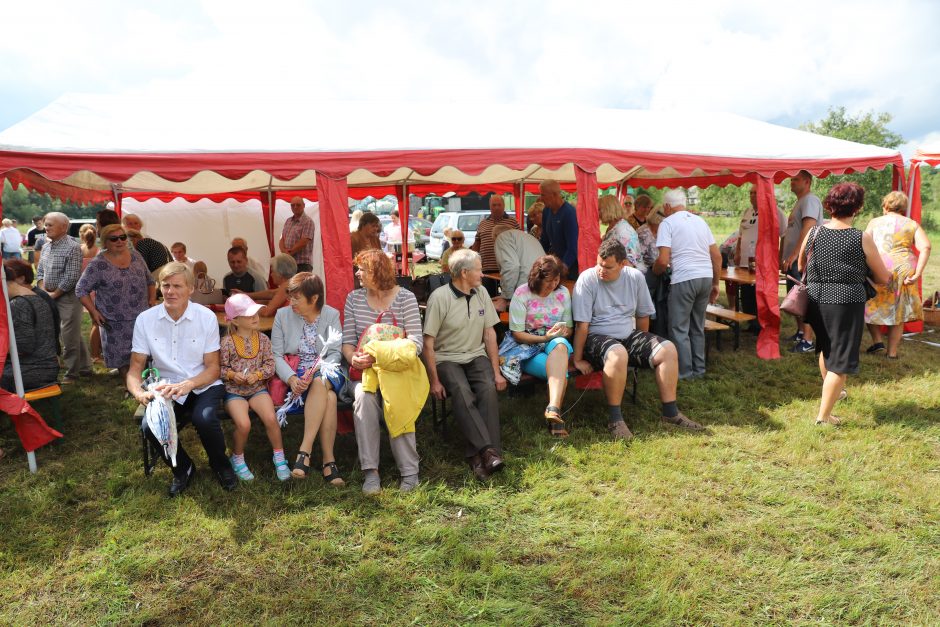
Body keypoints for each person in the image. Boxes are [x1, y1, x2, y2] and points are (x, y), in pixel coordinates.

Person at [573, 239, 703, 439]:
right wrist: (578, 359)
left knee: (668, 349)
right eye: (599, 264)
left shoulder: (635, 278)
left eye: (608, 267)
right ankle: (615, 419)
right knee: (617, 354)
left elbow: (643, 315)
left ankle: (670, 413)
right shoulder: (587, 279)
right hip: (596, 337)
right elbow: (582, 325)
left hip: (627, 335)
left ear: (623, 264)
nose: (601, 270)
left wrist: (642, 349)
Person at [126, 262, 236, 497]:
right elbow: (135, 369)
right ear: (158, 287)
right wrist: (139, 393)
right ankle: (182, 468)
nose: (170, 291)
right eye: (165, 285)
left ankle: (221, 466)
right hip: (166, 387)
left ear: (190, 289)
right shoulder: (145, 320)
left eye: (177, 286)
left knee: (205, 418)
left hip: (202, 383)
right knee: (149, 427)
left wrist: (189, 384)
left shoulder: (205, 317)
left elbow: (213, 368)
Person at [798, 183, 890, 425]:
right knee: (840, 360)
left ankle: (835, 392)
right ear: (857, 208)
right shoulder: (861, 237)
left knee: (826, 348)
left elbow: (800, 266)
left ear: (830, 204)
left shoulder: (814, 232)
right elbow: (882, 277)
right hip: (846, 302)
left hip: (815, 299)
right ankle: (824, 417)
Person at [343, 249, 425, 494]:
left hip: (397, 370)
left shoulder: (406, 298)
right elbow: (347, 342)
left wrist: (378, 354)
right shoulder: (354, 299)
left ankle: (410, 473)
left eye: (362, 269)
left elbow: (416, 343)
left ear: (377, 272)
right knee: (364, 398)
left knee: (396, 398)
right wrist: (354, 357)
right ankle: (371, 472)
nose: (357, 273)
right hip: (363, 373)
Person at [422, 249, 507, 481]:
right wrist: (434, 380)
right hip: (446, 357)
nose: (483, 274)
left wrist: (497, 373)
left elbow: (490, 334)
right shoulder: (439, 298)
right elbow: (428, 343)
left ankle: (479, 456)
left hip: (475, 355)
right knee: (461, 390)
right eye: (479, 270)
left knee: (488, 387)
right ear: (464, 272)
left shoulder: (480, 293)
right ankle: (489, 451)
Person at [271, 272, 345, 485]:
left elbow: (334, 353)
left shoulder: (331, 315)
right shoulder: (282, 315)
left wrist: (314, 371)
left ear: (314, 299)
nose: (291, 302)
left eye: (296, 298)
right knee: (329, 398)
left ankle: (305, 450)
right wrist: (292, 378)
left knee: (320, 382)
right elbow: (276, 355)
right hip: (295, 374)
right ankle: (329, 462)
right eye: (290, 297)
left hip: (326, 370)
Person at [500, 255, 573, 437]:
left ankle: (553, 408)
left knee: (561, 345)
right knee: (559, 370)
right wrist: (544, 338)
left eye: (556, 280)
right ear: (537, 278)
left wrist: (562, 331)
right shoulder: (522, 293)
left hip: (554, 342)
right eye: (549, 281)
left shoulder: (563, 293)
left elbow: (569, 328)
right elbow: (517, 334)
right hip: (525, 345)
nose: (553, 285)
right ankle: (555, 418)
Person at [220, 293, 290, 482]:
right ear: (235, 320)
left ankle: (280, 457)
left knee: (270, 418)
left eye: (256, 314)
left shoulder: (264, 340)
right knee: (244, 424)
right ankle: (238, 458)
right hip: (234, 392)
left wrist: (257, 375)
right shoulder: (227, 343)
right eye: (249, 315)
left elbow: (270, 365)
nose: (255, 318)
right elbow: (221, 368)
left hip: (257, 389)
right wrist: (234, 375)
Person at [653, 189, 720, 379]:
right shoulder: (700, 221)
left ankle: (684, 373)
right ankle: (699, 370)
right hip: (705, 276)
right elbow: (716, 256)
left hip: (684, 278)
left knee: (678, 328)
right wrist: (715, 283)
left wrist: (654, 271)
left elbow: (663, 261)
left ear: (667, 206)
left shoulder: (667, 223)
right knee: (697, 326)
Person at [864, 191, 932, 359]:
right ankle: (892, 352)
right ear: (903, 208)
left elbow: (864, 245)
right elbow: (926, 247)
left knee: (870, 304)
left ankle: (877, 341)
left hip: (879, 267)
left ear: (886, 206)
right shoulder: (911, 224)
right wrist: (918, 272)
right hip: (903, 269)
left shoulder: (875, 222)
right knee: (898, 310)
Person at [36, 212, 92, 382]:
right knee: (72, 333)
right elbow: (39, 271)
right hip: (50, 295)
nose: (46, 228)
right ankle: (85, 367)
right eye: (46, 224)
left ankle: (72, 373)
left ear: (63, 227)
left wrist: (55, 294)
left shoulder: (73, 247)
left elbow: (72, 276)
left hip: (67, 297)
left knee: (68, 336)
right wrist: (44, 290)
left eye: (50, 225)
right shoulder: (46, 246)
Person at [1, 261, 59, 393]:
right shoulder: (34, 297)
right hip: (45, 367)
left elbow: (24, 346)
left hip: (31, 371)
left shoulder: (18, 304)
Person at [781, 171, 823, 353]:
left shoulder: (810, 200)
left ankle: (807, 340)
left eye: (795, 179)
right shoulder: (801, 201)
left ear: (807, 182)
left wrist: (796, 254)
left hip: (803, 259)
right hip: (794, 259)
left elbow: (809, 228)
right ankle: (800, 332)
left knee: (803, 297)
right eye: (790, 179)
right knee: (794, 296)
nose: (791, 182)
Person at [732, 186, 787, 317]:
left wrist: (780, 258)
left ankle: (760, 322)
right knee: (746, 291)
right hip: (746, 260)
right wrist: (738, 252)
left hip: (764, 262)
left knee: (761, 292)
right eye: (750, 193)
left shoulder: (774, 212)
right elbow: (741, 235)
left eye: (755, 193)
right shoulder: (747, 211)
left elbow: (784, 235)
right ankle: (749, 319)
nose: (751, 196)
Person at [471, 194, 520, 296]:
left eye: (499, 205)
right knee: (489, 298)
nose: (497, 207)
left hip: (507, 268)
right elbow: (477, 243)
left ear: (503, 206)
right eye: (494, 205)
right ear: (490, 207)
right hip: (487, 269)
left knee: (509, 297)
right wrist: (473, 262)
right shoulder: (483, 223)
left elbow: (519, 244)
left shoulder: (513, 222)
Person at [492, 222, 545, 311]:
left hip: (525, 288)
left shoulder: (502, 237)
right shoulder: (527, 237)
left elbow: (511, 267)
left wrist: (506, 297)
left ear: (496, 236)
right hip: (542, 285)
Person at [637, 205, 669, 337]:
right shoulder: (643, 232)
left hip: (658, 273)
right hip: (646, 276)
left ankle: (659, 329)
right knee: (648, 307)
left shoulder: (661, 231)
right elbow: (638, 258)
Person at [539, 180, 579, 279]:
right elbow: (544, 240)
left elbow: (573, 247)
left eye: (543, 195)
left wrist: (563, 269)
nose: (540, 198)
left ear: (555, 195)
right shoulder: (546, 211)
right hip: (555, 264)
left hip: (570, 268)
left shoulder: (569, 213)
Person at [599, 195, 644, 272]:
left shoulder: (623, 231)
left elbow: (630, 263)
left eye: (599, 209)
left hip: (626, 278)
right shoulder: (613, 227)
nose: (597, 212)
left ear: (608, 210)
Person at [279, 196, 315, 272]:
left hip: (302, 264)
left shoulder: (308, 222)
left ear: (304, 205)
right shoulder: (288, 221)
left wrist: (288, 253)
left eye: (298, 205)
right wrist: (284, 251)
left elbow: (304, 242)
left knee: (300, 284)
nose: (295, 207)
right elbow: (282, 238)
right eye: (292, 205)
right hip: (288, 263)